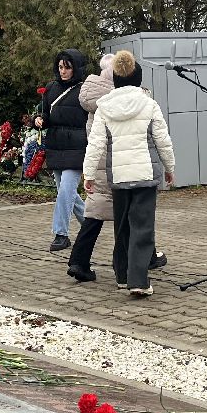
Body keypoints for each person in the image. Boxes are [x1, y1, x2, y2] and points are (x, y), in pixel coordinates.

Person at [81, 49, 174, 297]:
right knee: (142, 228)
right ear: (138, 79)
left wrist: (88, 173)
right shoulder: (149, 103)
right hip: (145, 175)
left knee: (121, 227)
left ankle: (122, 276)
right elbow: (162, 139)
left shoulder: (104, 107)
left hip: (118, 178)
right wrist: (170, 167)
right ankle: (139, 281)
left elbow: (96, 143)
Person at [35, 49, 89, 251]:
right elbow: (46, 114)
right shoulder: (51, 88)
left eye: (67, 67)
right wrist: (39, 120)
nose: (63, 71)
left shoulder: (84, 90)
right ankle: (90, 224)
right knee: (66, 193)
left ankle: (61, 234)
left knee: (66, 189)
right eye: (60, 67)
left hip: (77, 146)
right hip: (56, 145)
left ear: (76, 68)